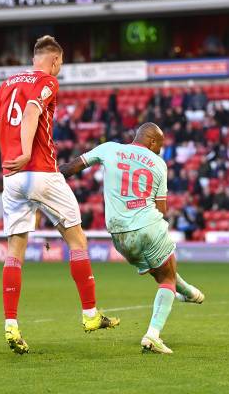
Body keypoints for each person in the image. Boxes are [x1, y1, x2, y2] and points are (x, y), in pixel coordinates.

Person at [0, 35, 118, 355]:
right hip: (42, 173)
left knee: (14, 250)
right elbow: (33, 110)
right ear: (55, 60)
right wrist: (26, 152)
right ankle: (89, 314)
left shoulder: (6, 84)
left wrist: (12, 156)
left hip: (12, 178)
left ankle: (11, 324)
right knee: (77, 240)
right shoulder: (48, 81)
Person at [59, 123, 205, 354]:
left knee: (161, 272)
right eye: (161, 145)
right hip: (147, 225)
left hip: (118, 235)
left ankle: (188, 293)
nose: (160, 150)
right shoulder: (158, 163)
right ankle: (152, 335)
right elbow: (162, 208)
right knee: (167, 278)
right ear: (152, 141)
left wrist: (47, 181)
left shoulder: (109, 149)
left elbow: (72, 167)